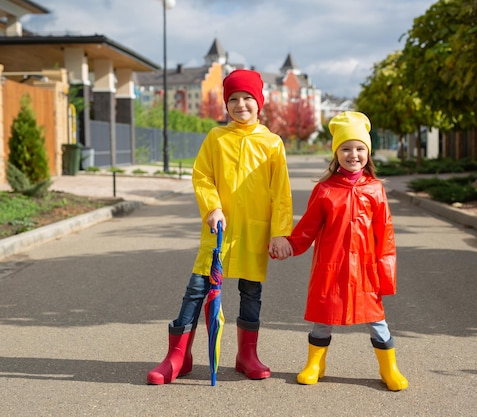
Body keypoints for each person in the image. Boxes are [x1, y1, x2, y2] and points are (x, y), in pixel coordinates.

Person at [147, 69, 294, 385]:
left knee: (251, 290)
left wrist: (280, 231)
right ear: (226, 104)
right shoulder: (216, 138)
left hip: (255, 229)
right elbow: (202, 176)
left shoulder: (272, 143)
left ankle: (246, 356)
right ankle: (178, 357)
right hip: (218, 231)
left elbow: (281, 192)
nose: (241, 105)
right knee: (197, 288)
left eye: (247, 98)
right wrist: (212, 207)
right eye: (234, 99)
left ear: (259, 102)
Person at [272, 111, 408, 391]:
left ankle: (389, 368)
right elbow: (308, 228)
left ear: (368, 154)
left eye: (360, 148)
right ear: (336, 153)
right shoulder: (324, 190)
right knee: (323, 320)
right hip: (330, 266)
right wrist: (289, 243)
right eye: (346, 148)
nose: (353, 154)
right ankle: (315, 364)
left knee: (377, 322)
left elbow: (386, 235)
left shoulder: (375, 190)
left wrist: (386, 274)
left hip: (366, 270)